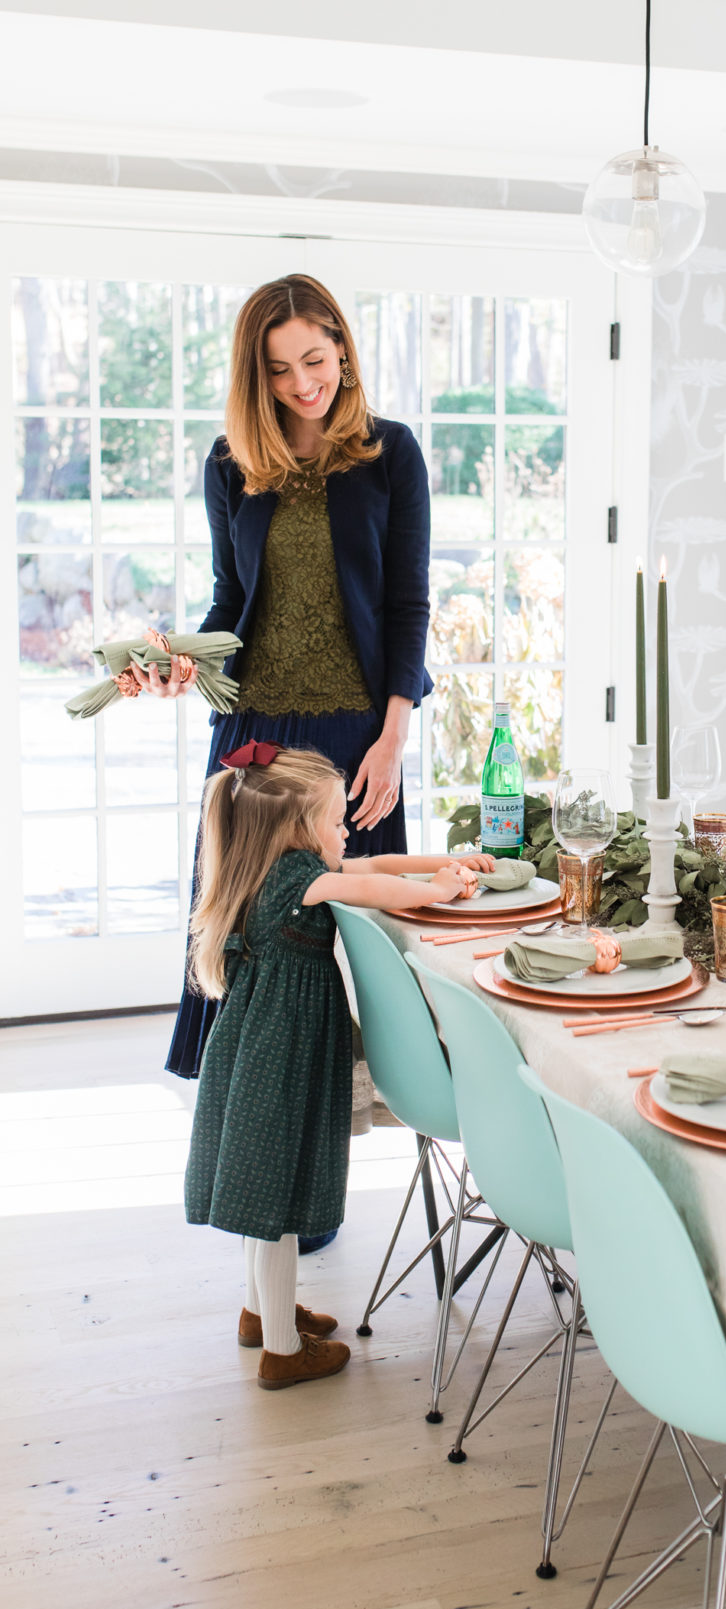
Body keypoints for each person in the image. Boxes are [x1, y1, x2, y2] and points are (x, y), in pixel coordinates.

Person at [138, 272, 432, 1086]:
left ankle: (348, 1120)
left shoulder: (389, 452)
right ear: (254, 375)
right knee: (238, 933)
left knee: (367, 941)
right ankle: (241, 1123)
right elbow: (234, 598)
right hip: (256, 737)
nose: (303, 383)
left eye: (314, 357)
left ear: (341, 343)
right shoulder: (233, 464)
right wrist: (184, 660)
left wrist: (393, 740)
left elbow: (410, 601)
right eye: (277, 369)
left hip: (357, 737)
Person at [184, 740, 495, 1390]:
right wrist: (434, 890)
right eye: (332, 820)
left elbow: (375, 861)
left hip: (263, 1047)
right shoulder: (301, 880)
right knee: (278, 1199)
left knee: (265, 1189)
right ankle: (281, 1350)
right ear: (297, 831)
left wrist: (445, 861)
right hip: (282, 1054)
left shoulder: (271, 869)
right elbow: (375, 883)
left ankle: (258, 1313)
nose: (343, 828)